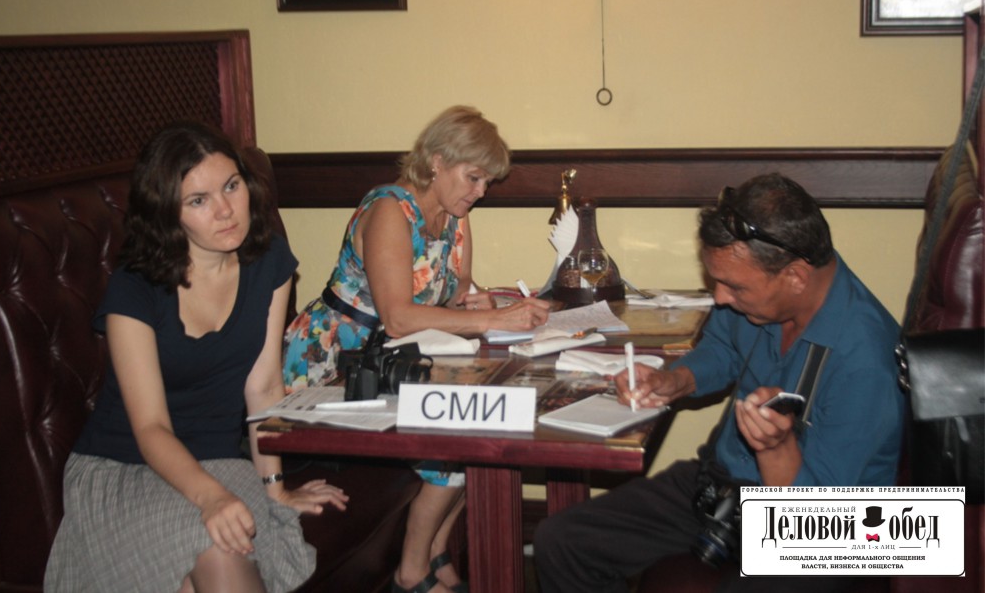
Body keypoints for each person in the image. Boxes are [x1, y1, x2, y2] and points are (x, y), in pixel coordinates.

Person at [533, 173, 905, 593]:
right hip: (725, 486)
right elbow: (724, 348)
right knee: (563, 542)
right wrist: (676, 379)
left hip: (824, 533)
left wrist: (775, 448)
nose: (722, 298)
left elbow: (816, 523)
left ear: (796, 277)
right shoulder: (762, 301)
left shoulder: (866, 361)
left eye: (734, 286)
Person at [45, 122, 349, 593]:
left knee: (222, 548)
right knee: (220, 545)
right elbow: (151, 427)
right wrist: (211, 498)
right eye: (198, 200)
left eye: (231, 186)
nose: (225, 210)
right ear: (169, 212)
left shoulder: (268, 258)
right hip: (123, 468)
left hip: (216, 461)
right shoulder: (135, 287)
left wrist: (276, 489)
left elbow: (264, 387)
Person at [283, 105, 551, 593]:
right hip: (333, 364)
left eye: (487, 182)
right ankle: (411, 570)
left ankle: (435, 551)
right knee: (457, 443)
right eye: (473, 177)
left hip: (394, 360)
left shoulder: (455, 217)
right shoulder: (390, 209)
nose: (480, 192)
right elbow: (398, 316)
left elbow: (455, 293)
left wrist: (480, 302)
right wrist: (493, 320)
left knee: (487, 426)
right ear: (436, 161)